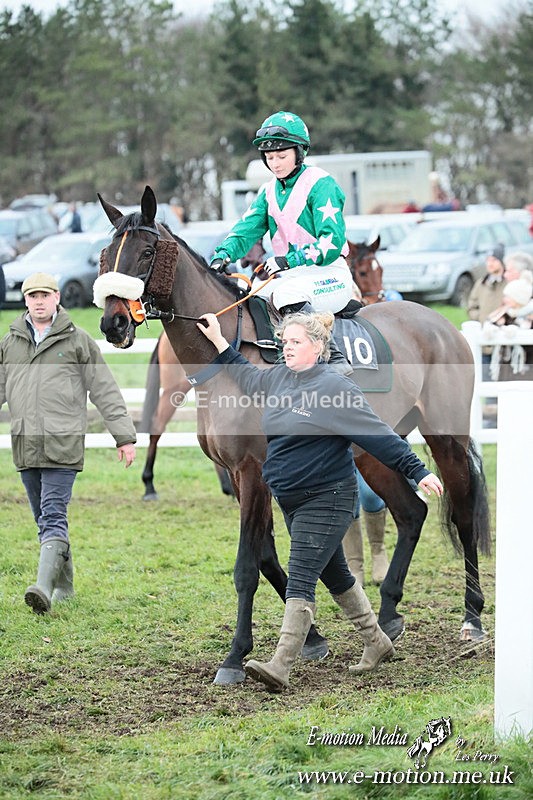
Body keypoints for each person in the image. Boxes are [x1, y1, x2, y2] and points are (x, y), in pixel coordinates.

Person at [197, 310, 443, 692]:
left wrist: (418, 470)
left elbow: (377, 434)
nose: (287, 348)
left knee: (301, 576)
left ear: (317, 346)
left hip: (327, 498)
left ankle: (280, 664)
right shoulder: (279, 378)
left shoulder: (335, 387)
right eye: (284, 342)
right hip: (292, 500)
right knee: (337, 576)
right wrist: (218, 341)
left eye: (295, 342)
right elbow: (246, 375)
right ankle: (377, 641)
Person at [0, 272, 137, 614]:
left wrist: (124, 437)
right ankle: (66, 587)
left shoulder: (78, 340)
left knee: (53, 516)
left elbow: (104, 389)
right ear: (26, 300)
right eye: (33, 296)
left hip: (63, 445)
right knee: (43, 520)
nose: (39, 301)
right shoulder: (11, 341)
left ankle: (43, 589)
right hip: (25, 444)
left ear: (57, 297)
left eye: (45, 294)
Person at [209, 110, 355, 370]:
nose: (275, 163)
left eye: (281, 156)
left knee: (285, 294)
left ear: (300, 152)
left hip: (329, 275)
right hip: (291, 276)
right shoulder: (268, 191)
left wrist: (289, 260)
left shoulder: (321, 184)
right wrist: (223, 255)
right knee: (250, 294)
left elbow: (331, 242)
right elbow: (246, 229)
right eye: (269, 157)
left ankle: (332, 357)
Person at [467, 243, 507, 380]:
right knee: (485, 378)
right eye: (488, 260)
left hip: (504, 341)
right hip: (485, 340)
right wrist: (481, 319)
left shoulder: (508, 283)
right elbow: (471, 306)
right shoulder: (481, 284)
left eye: (494, 260)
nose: (490, 264)